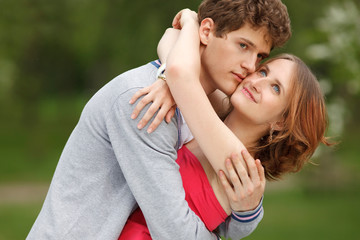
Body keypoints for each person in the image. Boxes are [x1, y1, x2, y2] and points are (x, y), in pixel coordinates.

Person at [27, 1, 291, 239]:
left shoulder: (199, 104)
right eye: (243, 46)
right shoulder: (145, 102)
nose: (249, 66)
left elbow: (219, 214)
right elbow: (175, 232)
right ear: (207, 32)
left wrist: (248, 211)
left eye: (259, 57)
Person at [119, 10, 331, 239]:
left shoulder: (241, 172)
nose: (258, 82)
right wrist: (167, 79)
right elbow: (171, 38)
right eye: (263, 71)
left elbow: (181, 70)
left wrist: (190, 23)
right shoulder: (212, 107)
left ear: (281, 121)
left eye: (276, 88)